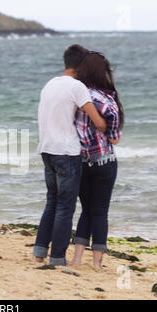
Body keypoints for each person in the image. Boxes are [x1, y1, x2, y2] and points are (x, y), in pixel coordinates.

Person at [33, 45, 107, 266]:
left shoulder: (50, 84)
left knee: (52, 203)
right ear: (81, 66)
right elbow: (97, 121)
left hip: (46, 149)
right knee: (65, 207)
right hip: (66, 151)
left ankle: (39, 252)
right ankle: (57, 257)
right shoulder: (77, 87)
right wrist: (107, 126)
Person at [71, 51, 124, 270]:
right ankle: (97, 263)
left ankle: (76, 259)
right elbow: (113, 137)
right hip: (104, 162)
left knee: (86, 210)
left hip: (80, 162)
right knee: (100, 212)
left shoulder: (75, 97)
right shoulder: (106, 100)